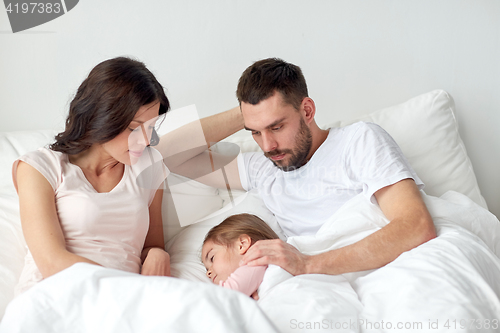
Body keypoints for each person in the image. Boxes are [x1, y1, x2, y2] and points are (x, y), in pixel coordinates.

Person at [176, 57, 437, 277]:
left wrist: (307, 264)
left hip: (391, 272)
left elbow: (416, 226)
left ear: (308, 111)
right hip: (325, 290)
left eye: (276, 127)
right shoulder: (261, 170)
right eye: (255, 131)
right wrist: (247, 111)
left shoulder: (358, 141)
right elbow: (168, 156)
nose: (267, 145)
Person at [12, 56, 243, 295]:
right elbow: (51, 262)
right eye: (134, 128)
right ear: (100, 116)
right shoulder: (40, 167)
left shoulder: (147, 168)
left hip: (124, 305)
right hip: (54, 295)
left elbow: (152, 245)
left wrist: (157, 253)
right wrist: (129, 290)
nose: (145, 140)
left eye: (151, 128)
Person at [201, 213, 279, 299]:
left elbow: (223, 297)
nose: (208, 273)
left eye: (212, 258)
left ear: (242, 244)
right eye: (207, 269)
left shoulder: (255, 263)